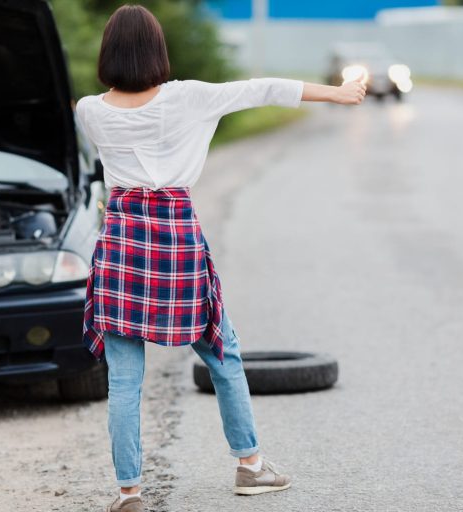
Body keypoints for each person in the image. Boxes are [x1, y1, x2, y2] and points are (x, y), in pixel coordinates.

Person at [75, 5, 365, 512]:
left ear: (108, 53)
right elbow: (263, 88)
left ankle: (129, 492)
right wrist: (337, 94)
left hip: (121, 241)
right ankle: (250, 466)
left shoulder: (89, 110)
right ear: (157, 50)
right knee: (222, 351)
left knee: (123, 378)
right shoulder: (188, 98)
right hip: (175, 237)